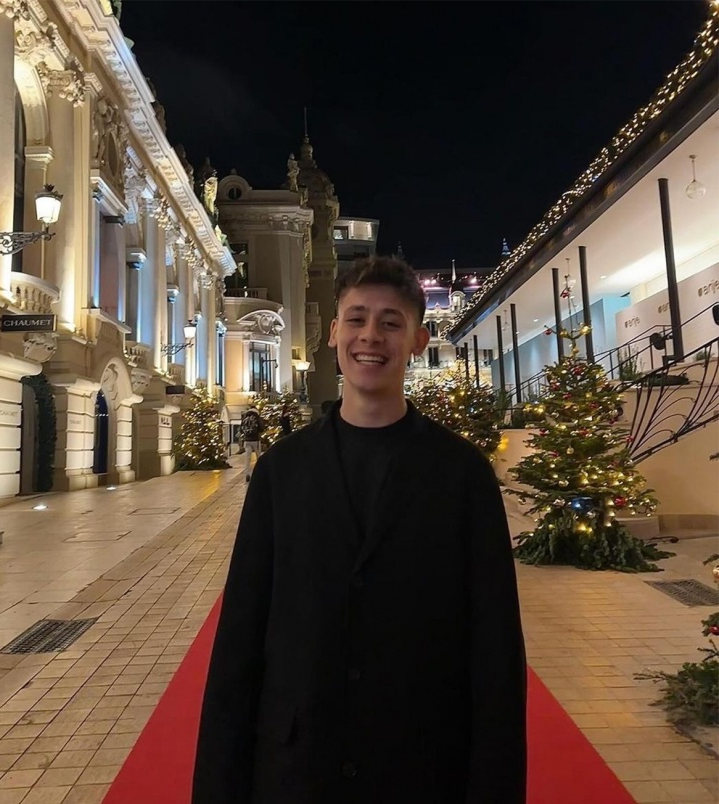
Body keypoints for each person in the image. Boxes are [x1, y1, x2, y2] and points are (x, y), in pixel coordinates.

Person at [193, 256, 527, 803]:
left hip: (421, 768)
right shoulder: (281, 471)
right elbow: (240, 641)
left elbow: (495, 651)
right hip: (297, 769)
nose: (371, 335)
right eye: (356, 319)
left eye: (391, 322)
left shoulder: (462, 474)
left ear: (417, 340)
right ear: (333, 333)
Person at [240, 406, 264, 482]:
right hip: (256, 440)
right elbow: (261, 428)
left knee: (247, 458)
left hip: (247, 441)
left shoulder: (245, 417)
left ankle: (247, 474)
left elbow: (241, 430)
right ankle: (260, 474)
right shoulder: (256, 417)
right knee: (258, 457)